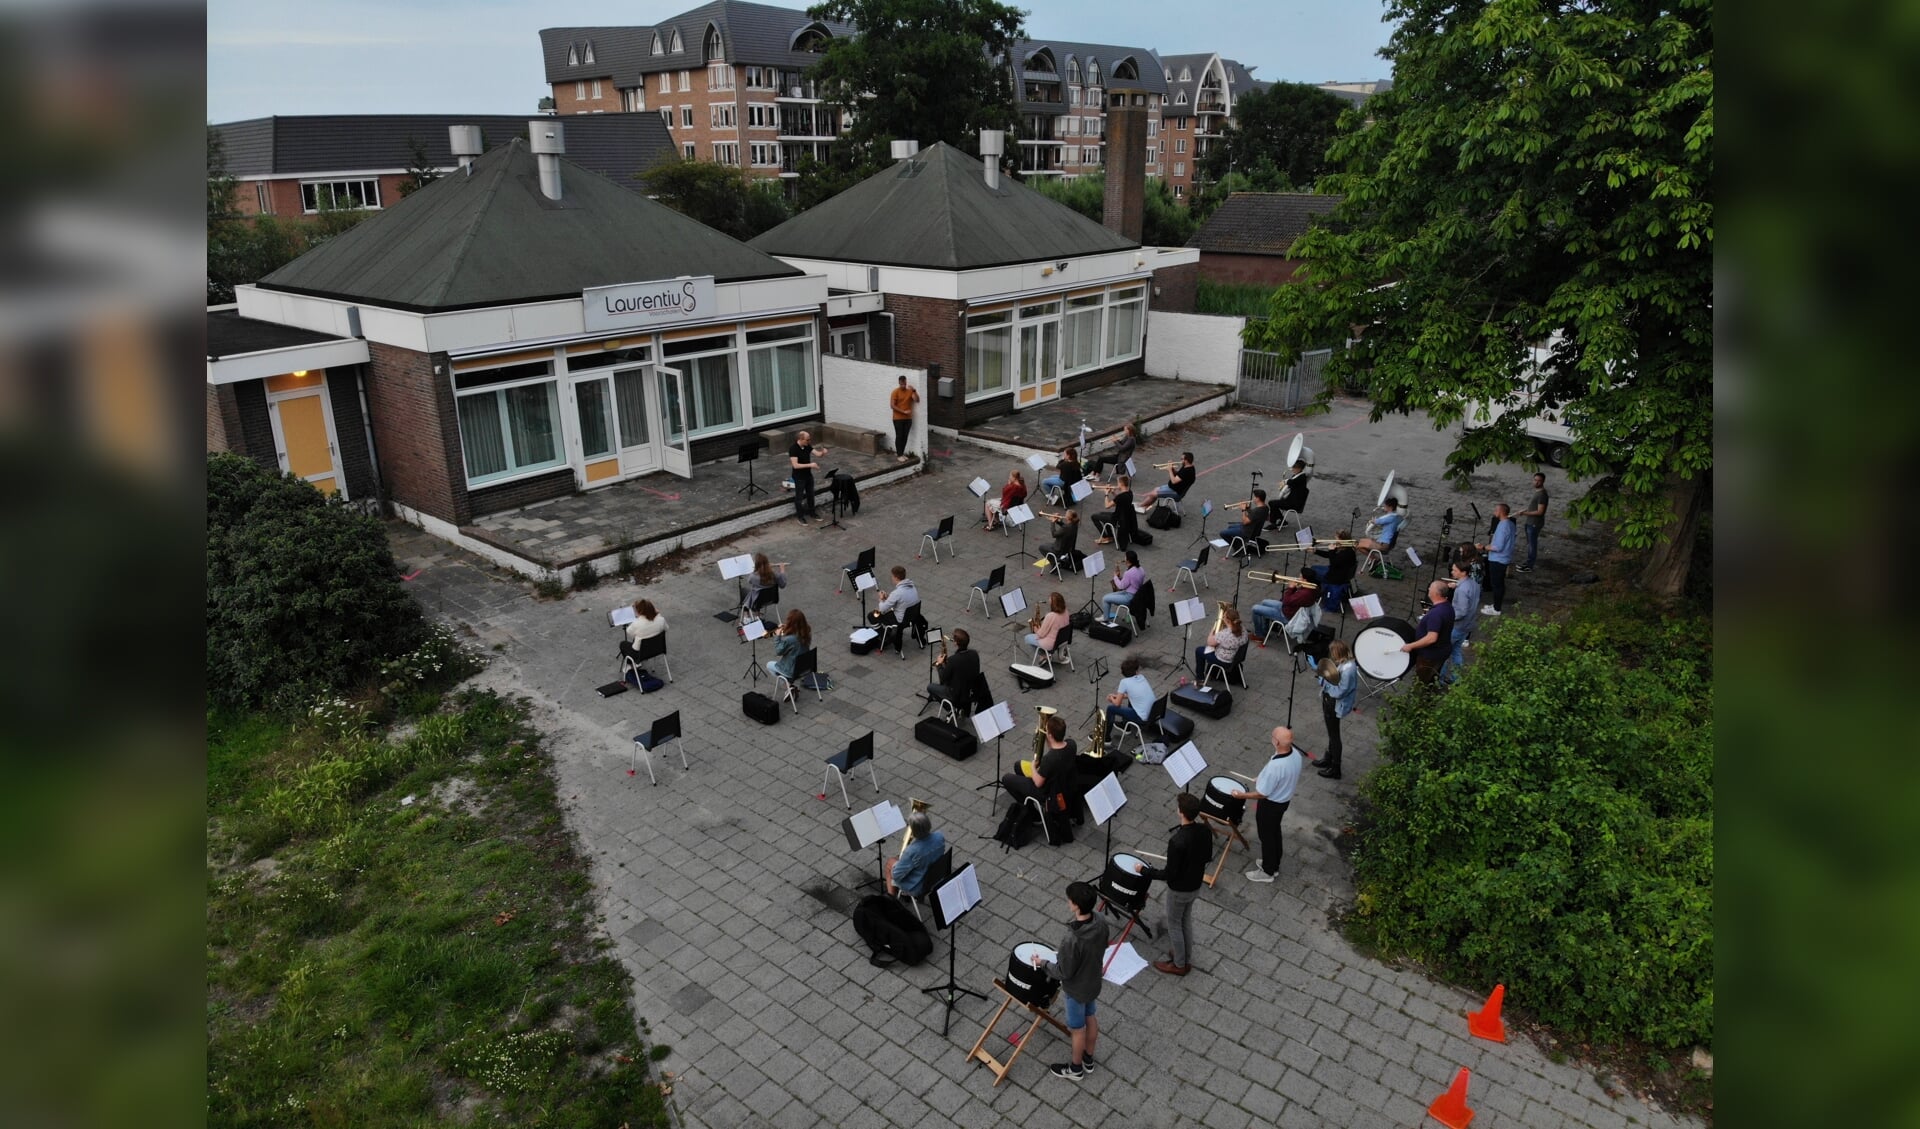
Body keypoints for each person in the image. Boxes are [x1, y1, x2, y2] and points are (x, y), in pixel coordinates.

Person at [1034, 881, 1109, 1079]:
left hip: (1076, 990)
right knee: (1091, 1017)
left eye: (1070, 900)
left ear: (1076, 905)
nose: (1068, 902)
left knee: (1077, 1030)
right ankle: (1088, 1059)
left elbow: (1063, 972)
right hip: (1093, 982)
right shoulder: (1100, 921)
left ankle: (1075, 1069)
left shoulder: (1072, 939)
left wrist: (1043, 963)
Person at [1140, 792, 1211, 976]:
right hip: (1195, 885)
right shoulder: (1204, 830)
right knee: (1185, 919)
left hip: (1179, 889)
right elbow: (1207, 857)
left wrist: (1145, 871)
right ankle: (1185, 955)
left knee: (1174, 924)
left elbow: (1168, 873)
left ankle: (1180, 964)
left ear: (1181, 812)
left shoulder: (1177, 841)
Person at [1232, 726, 1304, 884]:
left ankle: (1268, 870)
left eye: (1273, 736)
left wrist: (1241, 795)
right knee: (1274, 832)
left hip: (1271, 804)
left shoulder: (1276, 767)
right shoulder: (1296, 755)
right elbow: (1277, 776)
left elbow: (1262, 794)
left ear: (1277, 742)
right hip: (1283, 801)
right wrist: (1263, 777)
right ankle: (1274, 863)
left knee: (1267, 837)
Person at [1003, 713, 1077, 804]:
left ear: (1050, 735)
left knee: (1006, 778)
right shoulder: (1071, 744)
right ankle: (1027, 798)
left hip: (1048, 793)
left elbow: (1038, 783)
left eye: (1047, 731)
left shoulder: (1049, 759)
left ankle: (1030, 811)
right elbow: (1056, 750)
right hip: (1064, 783)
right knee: (1018, 765)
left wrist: (1033, 767)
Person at [1314, 641, 1358, 778]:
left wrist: (1325, 681)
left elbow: (1340, 691)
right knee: (1331, 733)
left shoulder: (1348, 670)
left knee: (1334, 735)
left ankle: (1335, 768)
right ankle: (1328, 758)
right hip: (1330, 701)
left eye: (1333, 653)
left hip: (1335, 703)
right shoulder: (1344, 663)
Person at [1401, 580, 1456, 685]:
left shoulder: (1436, 614)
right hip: (1441, 651)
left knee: (1421, 683)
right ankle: (1430, 695)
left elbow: (1431, 638)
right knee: (1432, 678)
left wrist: (1411, 646)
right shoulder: (1447, 606)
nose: (1428, 589)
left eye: (1430, 588)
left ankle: (1421, 699)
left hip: (1430, 655)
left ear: (1436, 594)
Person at [1440, 557, 1481, 685]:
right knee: (1456, 651)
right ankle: (1457, 678)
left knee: (1444, 652)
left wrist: (1447, 616)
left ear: (1463, 572)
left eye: (1455, 570)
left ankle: (1439, 679)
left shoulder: (1462, 590)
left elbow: (1462, 611)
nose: (1452, 573)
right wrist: (1457, 584)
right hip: (1467, 625)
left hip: (1457, 626)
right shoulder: (1473, 584)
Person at [886, 810, 945, 897]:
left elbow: (896, 875)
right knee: (899, 859)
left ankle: (890, 900)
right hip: (934, 878)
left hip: (917, 886)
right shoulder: (939, 836)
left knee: (889, 863)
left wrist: (896, 864)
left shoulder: (912, 851)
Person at [1103, 655, 1155, 742]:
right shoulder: (1142, 677)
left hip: (1142, 718)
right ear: (1136, 671)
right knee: (1131, 698)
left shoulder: (1124, 682)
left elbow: (1117, 704)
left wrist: (1111, 698)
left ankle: (1106, 738)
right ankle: (1125, 725)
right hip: (1154, 713)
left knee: (1111, 709)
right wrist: (1118, 696)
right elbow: (1134, 695)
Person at [1250, 576, 1317, 643]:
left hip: (1286, 615)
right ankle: (1265, 631)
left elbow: (1286, 600)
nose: (1298, 578)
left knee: (1255, 608)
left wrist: (1290, 588)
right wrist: (1295, 588)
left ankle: (1259, 635)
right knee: (1264, 602)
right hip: (1288, 609)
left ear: (1305, 579)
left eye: (1300, 576)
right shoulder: (1309, 589)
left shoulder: (1304, 593)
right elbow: (1291, 601)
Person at [869, 565, 920, 652]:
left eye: (892, 576)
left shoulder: (897, 593)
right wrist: (889, 597)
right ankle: (889, 634)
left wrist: (881, 599)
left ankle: (885, 638)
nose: (891, 578)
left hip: (900, 620)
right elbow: (902, 600)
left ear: (896, 577)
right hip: (912, 618)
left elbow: (882, 609)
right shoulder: (912, 587)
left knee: (872, 615)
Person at [1192, 604, 1246, 685]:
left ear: (1227, 620)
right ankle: (1212, 674)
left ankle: (1200, 679)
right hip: (1236, 657)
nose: (1222, 618)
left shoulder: (1225, 634)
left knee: (1199, 651)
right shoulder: (1243, 629)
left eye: (1223, 616)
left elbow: (1210, 642)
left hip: (1224, 660)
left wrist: (1213, 629)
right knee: (1211, 648)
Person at [928, 627, 980, 710]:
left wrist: (939, 664)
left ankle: (952, 709)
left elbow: (943, 679)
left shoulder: (953, 660)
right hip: (970, 690)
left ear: (956, 643)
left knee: (930, 687)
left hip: (957, 694)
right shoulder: (974, 654)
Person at [1477, 503, 1514, 616]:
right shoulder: (1510, 523)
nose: (1494, 511)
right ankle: (1496, 605)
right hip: (1504, 558)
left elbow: (1497, 547)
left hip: (1498, 559)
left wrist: (1483, 547)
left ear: (1501, 511)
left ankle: (1497, 609)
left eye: (1496, 510)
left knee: (1497, 585)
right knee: (1499, 583)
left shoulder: (1503, 526)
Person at [788, 430, 826, 524]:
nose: (809, 441)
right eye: (807, 440)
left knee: (811, 495)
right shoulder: (793, 449)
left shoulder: (807, 446)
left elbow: (817, 454)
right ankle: (800, 517)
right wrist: (811, 465)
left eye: (809, 439)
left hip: (808, 475)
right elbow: (795, 465)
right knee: (799, 497)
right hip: (799, 477)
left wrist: (823, 452)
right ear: (801, 439)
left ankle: (812, 513)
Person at [1093, 474, 1138, 547]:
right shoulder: (1130, 492)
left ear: (1121, 484)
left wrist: (1106, 494)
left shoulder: (1121, 496)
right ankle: (1110, 536)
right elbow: (1119, 501)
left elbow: (1107, 506)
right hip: (1125, 517)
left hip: (1117, 519)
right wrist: (1113, 492)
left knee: (1094, 516)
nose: (1117, 485)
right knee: (1101, 514)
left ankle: (1105, 537)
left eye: (1118, 483)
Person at [620, 598, 667, 667]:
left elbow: (629, 632)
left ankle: (632, 664)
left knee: (623, 644)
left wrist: (637, 618)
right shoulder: (661, 619)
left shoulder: (637, 623)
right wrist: (658, 614)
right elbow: (666, 628)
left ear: (640, 612)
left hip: (640, 653)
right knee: (639, 636)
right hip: (657, 649)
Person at [1516, 472, 1548, 572]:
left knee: (1532, 545)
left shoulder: (1542, 495)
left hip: (1534, 523)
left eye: (1539, 480)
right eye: (1535, 480)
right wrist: (1524, 510)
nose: (1536, 482)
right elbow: (1533, 506)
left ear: (1543, 481)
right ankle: (1528, 562)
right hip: (1530, 522)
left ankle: (1529, 566)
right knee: (1530, 543)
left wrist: (1525, 513)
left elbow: (1540, 512)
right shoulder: (1537, 492)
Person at [767, 609, 810, 681]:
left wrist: (777, 637)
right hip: (804, 666)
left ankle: (788, 686)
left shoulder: (790, 639)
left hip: (791, 670)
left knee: (769, 665)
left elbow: (778, 651)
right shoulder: (806, 631)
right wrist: (787, 627)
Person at [741, 553, 786, 622]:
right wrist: (782, 570)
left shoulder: (753, 576)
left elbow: (749, 581)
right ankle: (757, 615)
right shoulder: (774, 575)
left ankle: (746, 616)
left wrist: (756, 570)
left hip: (758, 601)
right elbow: (782, 585)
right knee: (757, 594)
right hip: (771, 599)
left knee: (744, 591)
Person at [1100, 550, 1144, 619]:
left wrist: (1115, 576)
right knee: (1107, 596)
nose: (1124, 559)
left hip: (1129, 598)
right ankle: (1107, 615)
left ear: (1128, 561)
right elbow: (1132, 581)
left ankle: (1105, 619)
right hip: (1137, 595)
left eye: (1125, 557)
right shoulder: (1141, 569)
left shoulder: (1129, 573)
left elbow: (1121, 586)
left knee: (1105, 599)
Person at [1024, 591, 1071, 656]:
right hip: (1063, 640)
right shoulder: (1066, 611)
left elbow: (1041, 635)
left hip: (1051, 644)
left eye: (1050, 603)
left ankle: (1044, 656)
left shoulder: (1051, 616)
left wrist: (1035, 629)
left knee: (1027, 638)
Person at [888, 374, 919, 463]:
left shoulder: (909, 391)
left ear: (906, 382)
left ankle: (901, 453)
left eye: (904, 384)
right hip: (898, 418)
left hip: (908, 418)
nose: (903, 386)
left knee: (905, 436)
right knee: (899, 435)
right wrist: (903, 412)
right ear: (899, 383)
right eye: (902, 384)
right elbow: (892, 406)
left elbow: (917, 400)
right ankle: (899, 455)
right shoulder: (895, 392)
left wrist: (914, 390)